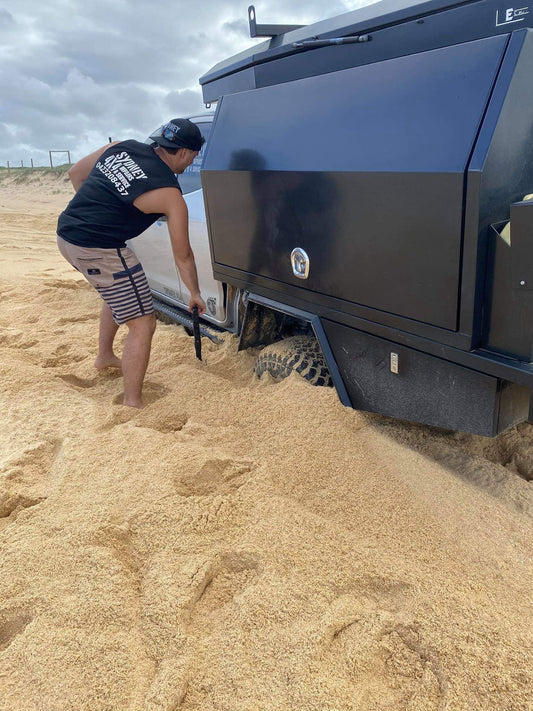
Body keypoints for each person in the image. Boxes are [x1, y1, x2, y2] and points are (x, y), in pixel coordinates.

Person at [56, 118, 207, 408]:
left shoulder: (122, 147)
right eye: (193, 157)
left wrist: (101, 212)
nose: (189, 164)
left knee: (117, 291)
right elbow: (183, 255)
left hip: (67, 235)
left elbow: (76, 174)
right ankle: (132, 401)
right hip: (97, 247)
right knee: (143, 323)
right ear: (187, 152)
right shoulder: (170, 195)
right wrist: (195, 293)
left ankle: (104, 357)